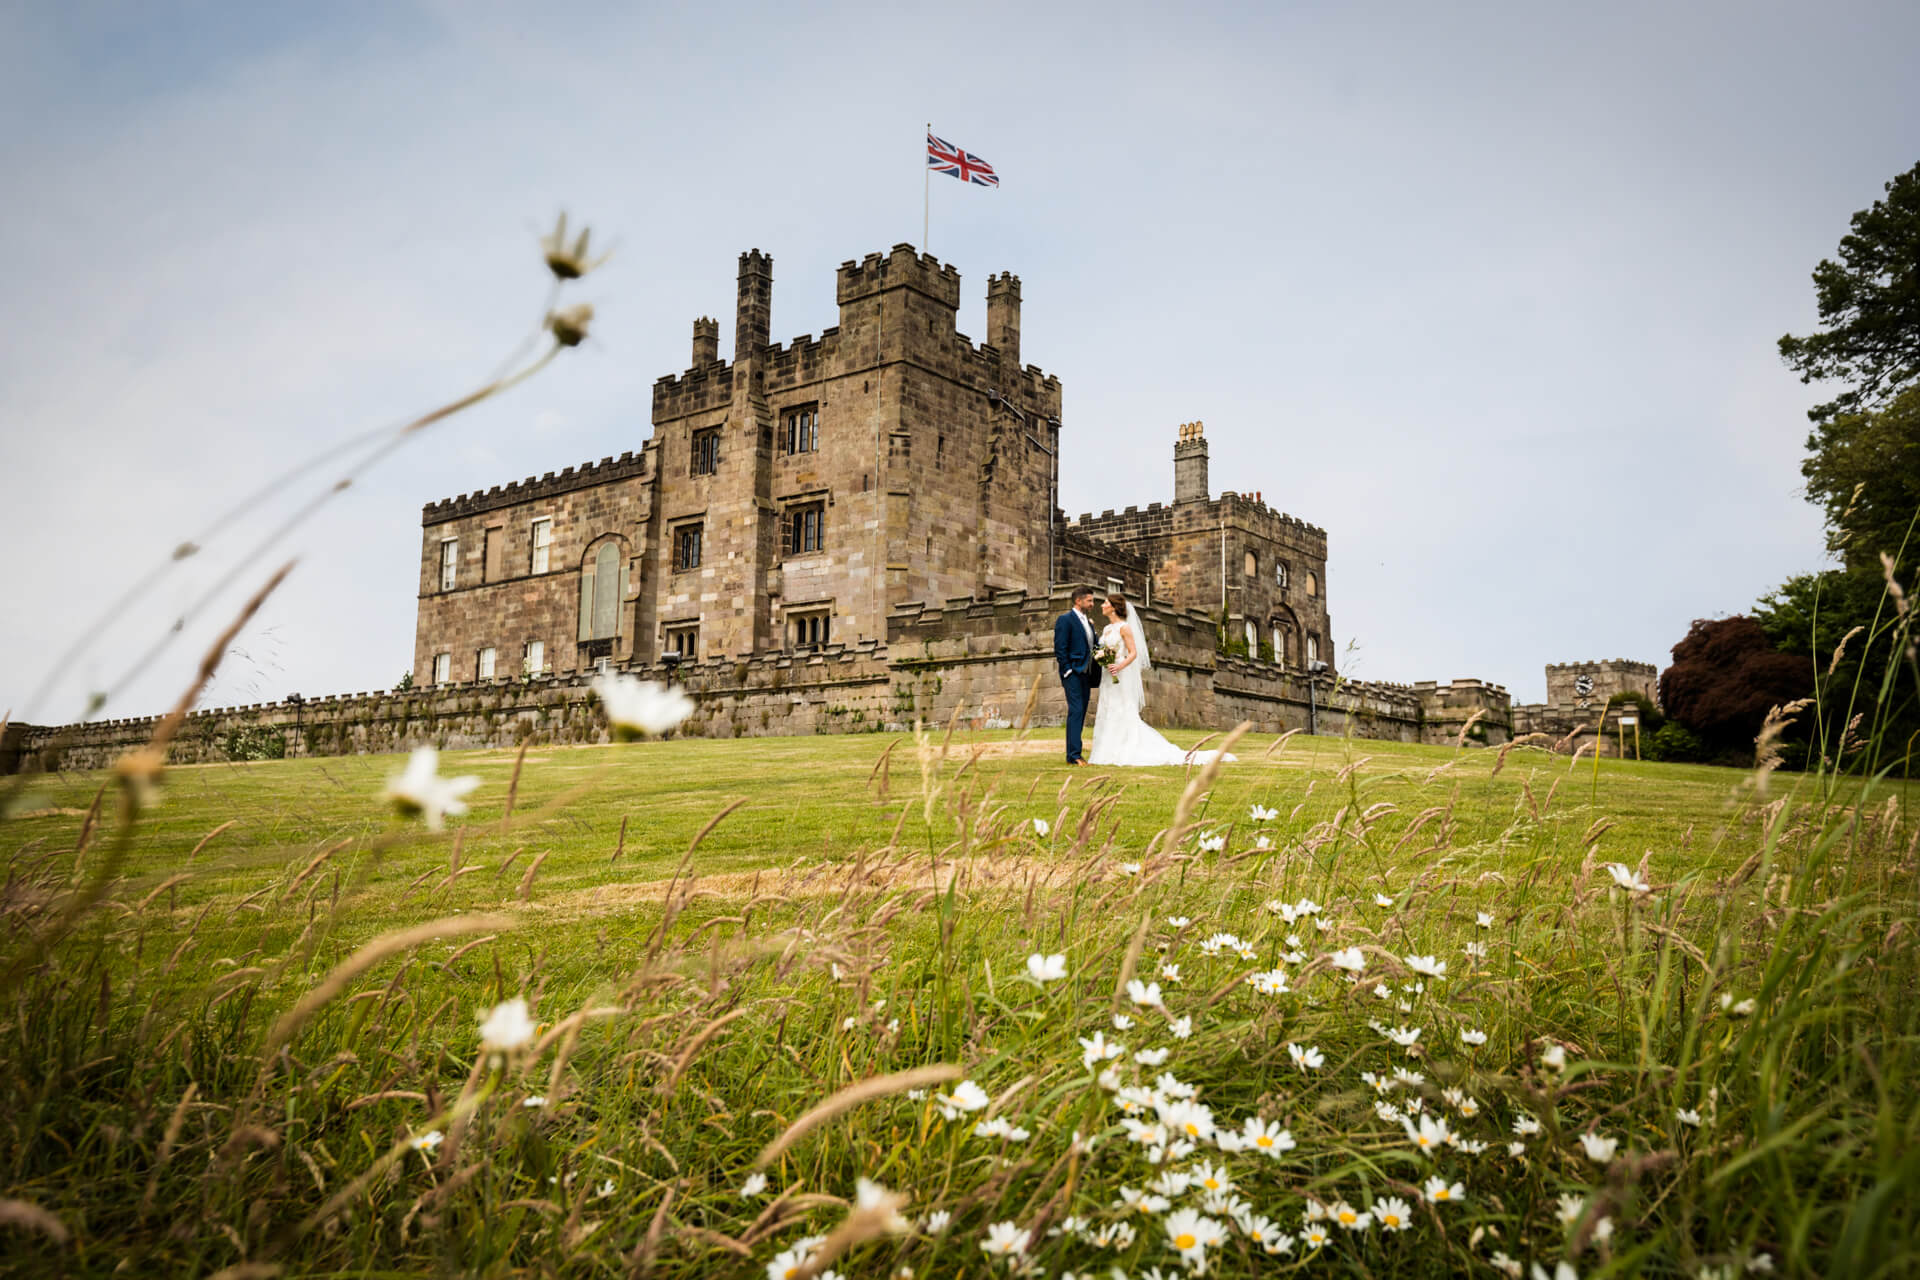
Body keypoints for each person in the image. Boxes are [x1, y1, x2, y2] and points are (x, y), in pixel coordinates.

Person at [1088, 593, 1236, 767]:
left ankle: (1125, 749)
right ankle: (1106, 750)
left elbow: (1134, 653)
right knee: (1108, 708)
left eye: (1105, 602)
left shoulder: (1125, 628)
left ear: (1113, 607)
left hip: (1121, 673)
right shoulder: (1106, 629)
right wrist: (1103, 658)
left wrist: (1119, 666)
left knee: (1122, 709)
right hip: (1108, 675)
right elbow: (1103, 649)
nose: (1102, 605)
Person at [1053, 587, 1098, 765]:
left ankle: (1074, 754)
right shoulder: (1065, 620)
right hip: (1073, 673)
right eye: (1090, 601)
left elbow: (1092, 646)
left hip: (1087, 674)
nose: (1092, 604)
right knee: (1076, 710)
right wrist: (1068, 670)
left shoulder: (1089, 622)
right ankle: (1074, 755)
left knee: (1081, 711)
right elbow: (1060, 647)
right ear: (1078, 601)